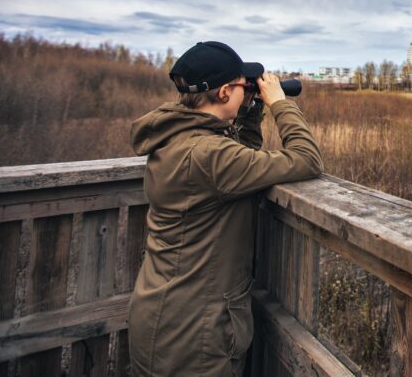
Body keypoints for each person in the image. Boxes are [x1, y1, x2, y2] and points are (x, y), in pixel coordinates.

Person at [127, 41, 324, 376]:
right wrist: (279, 104)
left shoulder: (178, 140)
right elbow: (306, 159)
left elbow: (238, 157)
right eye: (240, 85)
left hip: (161, 317)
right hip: (195, 338)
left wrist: (250, 109)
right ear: (223, 93)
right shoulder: (210, 157)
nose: (246, 90)